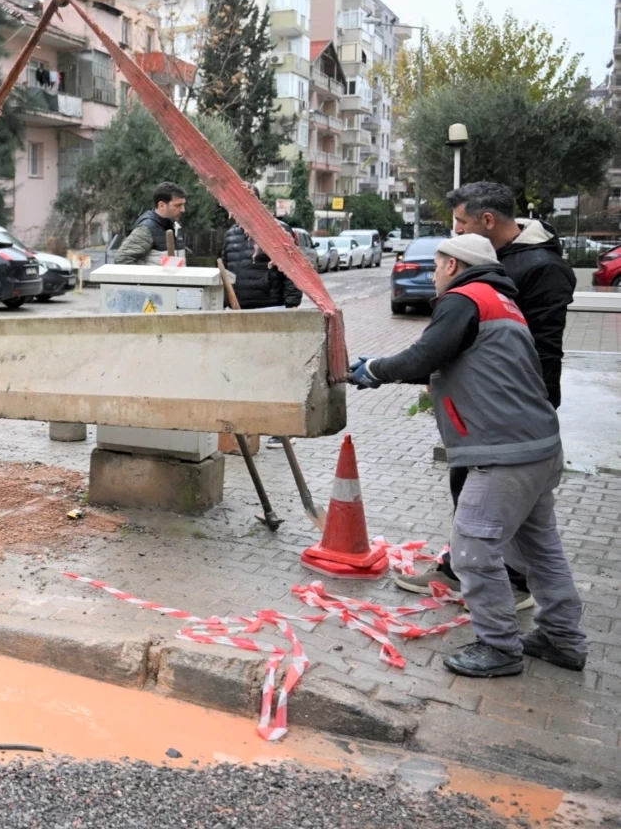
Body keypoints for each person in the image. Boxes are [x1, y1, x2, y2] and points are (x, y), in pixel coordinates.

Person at [350, 234, 587, 678]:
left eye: (436, 266)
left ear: (453, 266)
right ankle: (561, 637)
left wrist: (376, 370)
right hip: (537, 446)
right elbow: (458, 361)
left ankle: (499, 647)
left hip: (504, 451)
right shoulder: (502, 302)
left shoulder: (464, 298)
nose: (434, 274)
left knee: (473, 550)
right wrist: (389, 370)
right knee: (539, 548)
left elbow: (425, 354)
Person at [447, 181, 576, 407]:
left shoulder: (545, 268)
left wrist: (538, 408)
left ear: (488, 220)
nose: (457, 229)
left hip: (514, 403)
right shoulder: (485, 257)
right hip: (481, 393)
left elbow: (545, 347)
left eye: (461, 221)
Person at [222, 215, 302, 310]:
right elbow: (225, 269)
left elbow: (292, 269)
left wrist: (292, 304)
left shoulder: (278, 229)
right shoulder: (231, 233)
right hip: (236, 309)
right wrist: (225, 301)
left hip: (271, 308)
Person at [115, 182, 187, 265]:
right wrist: (144, 278)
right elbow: (122, 258)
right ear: (161, 205)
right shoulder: (146, 228)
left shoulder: (175, 226)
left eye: (183, 205)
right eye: (178, 205)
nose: (183, 210)